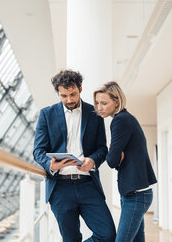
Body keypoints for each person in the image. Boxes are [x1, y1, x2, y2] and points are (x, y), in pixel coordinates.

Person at [33, 70, 116, 242]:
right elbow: (38, 151)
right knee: (71, 238)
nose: (69, 100)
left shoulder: (94, 113)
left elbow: (102, 148)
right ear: (58, 93)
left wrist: (92, 160)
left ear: (80, 89)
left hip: (88, 185)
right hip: (60, 188)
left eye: (73, 94)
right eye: (64, 95)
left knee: (107, 235)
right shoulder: (46, 114)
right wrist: (50, 165)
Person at [94, 81, 157, 242]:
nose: (99, 107)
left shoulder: (120, 121)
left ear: (116, 101)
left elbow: (112, 161)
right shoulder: (127, 118)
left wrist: (112, 153)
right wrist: (116, 154)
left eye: (104, 103)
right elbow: (117, 157)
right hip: (136, 193)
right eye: (97, 103)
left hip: (135, 195)